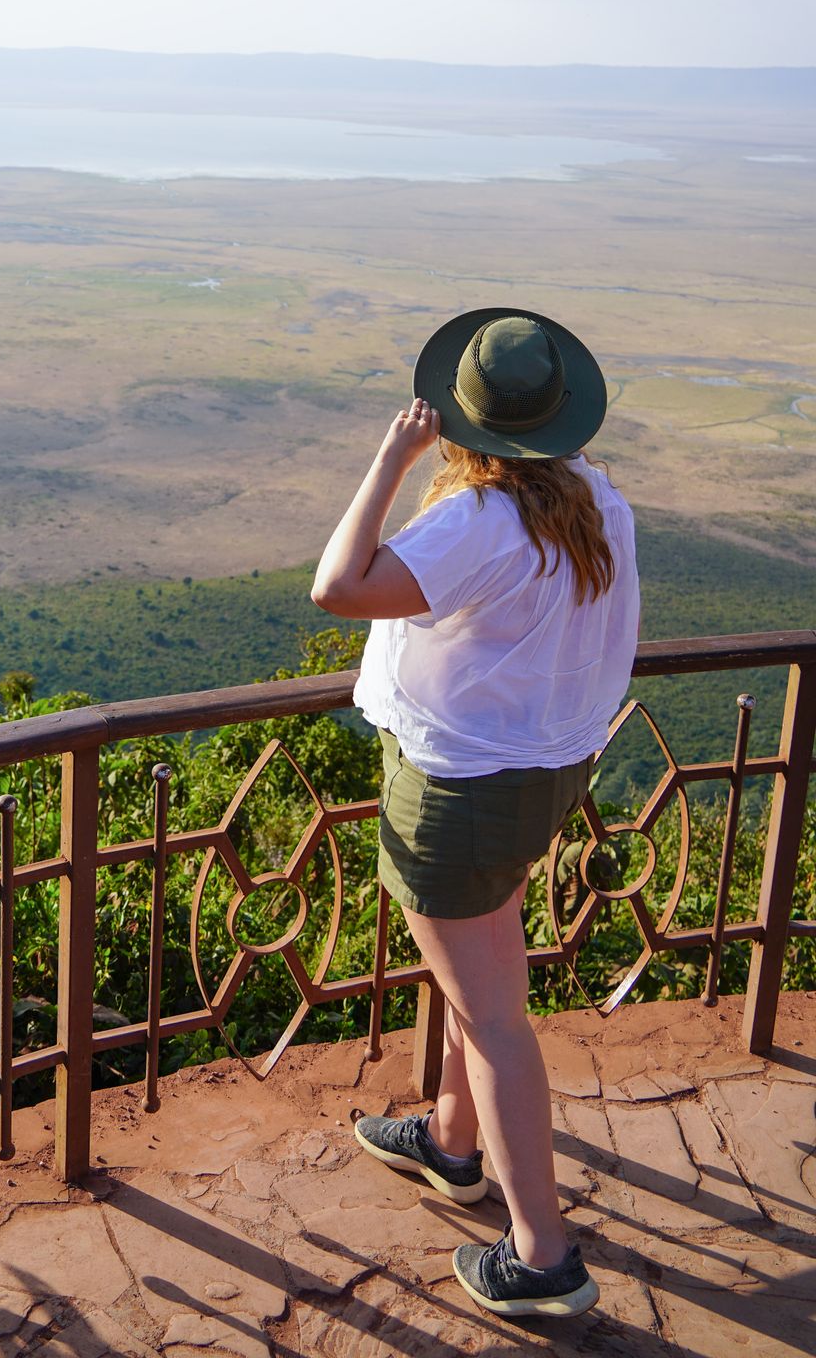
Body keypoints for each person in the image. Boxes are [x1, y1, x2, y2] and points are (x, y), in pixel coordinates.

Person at [311, 308, 639, 1321]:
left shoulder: (474, 522)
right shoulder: (596, 501)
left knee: (494, 1017)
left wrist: (390, 459)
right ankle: (453, 1149)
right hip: (542, 778)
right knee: (478, 981)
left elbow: (337, 586)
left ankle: (543, 1256)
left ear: (462, 421)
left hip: (456, 794)